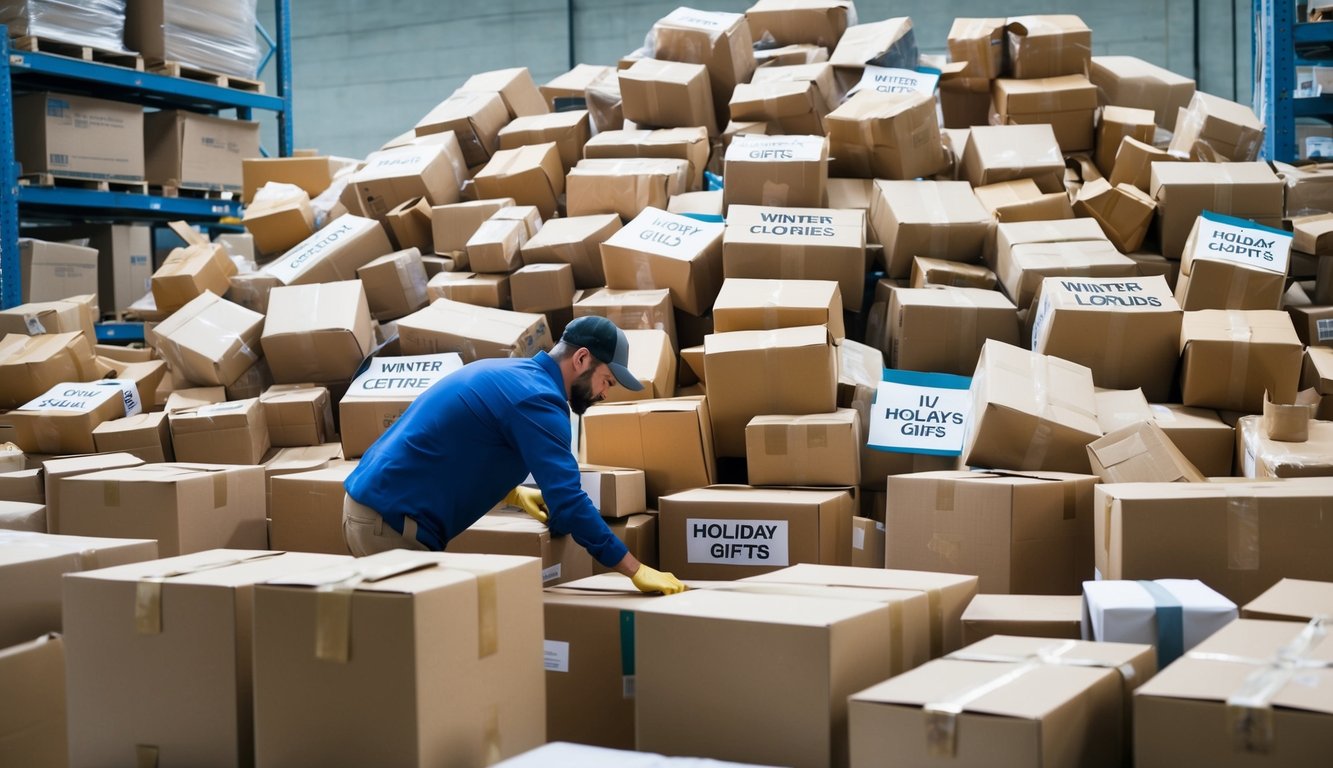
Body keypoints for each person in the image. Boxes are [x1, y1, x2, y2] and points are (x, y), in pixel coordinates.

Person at [343, 315, 686, 595]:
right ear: (582, 359)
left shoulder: (509, 374)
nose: (605, 395)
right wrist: (634, 569)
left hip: (369, 510)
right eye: (607, 381)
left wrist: (512, 493)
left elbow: (463, 444)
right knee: (431, 654)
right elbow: (568, 501)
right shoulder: (540, 401)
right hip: (391, 526)